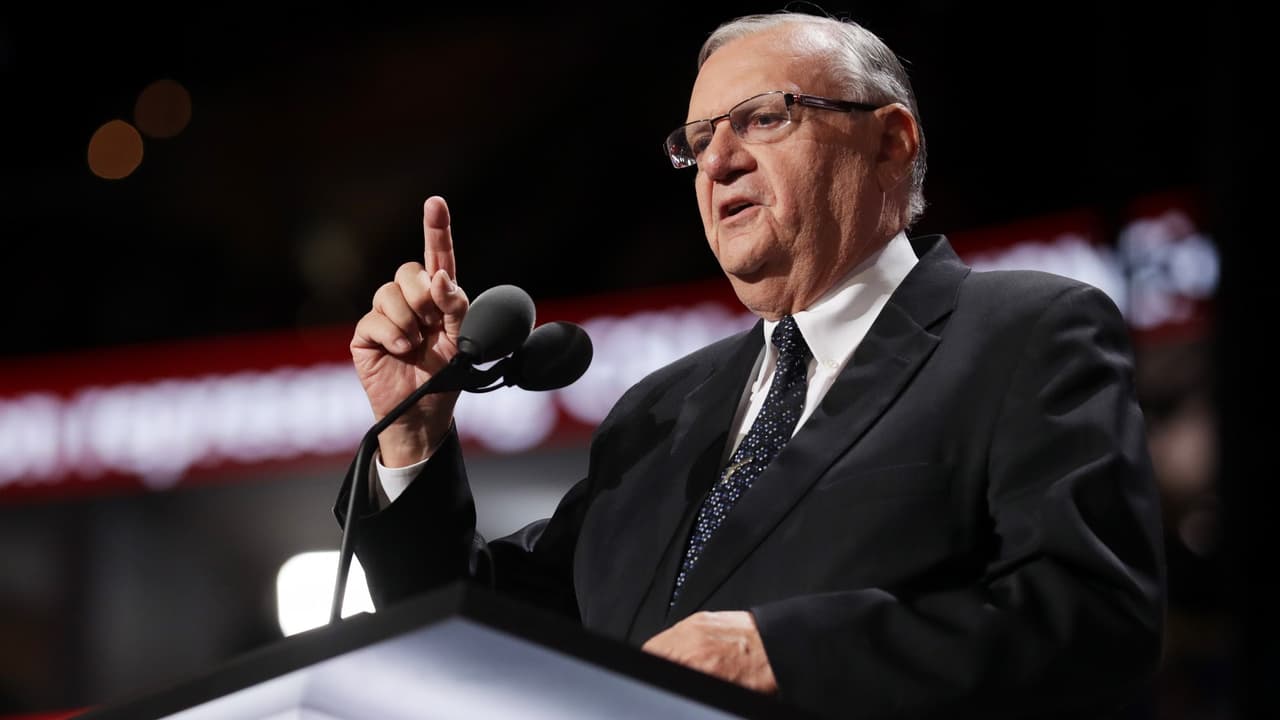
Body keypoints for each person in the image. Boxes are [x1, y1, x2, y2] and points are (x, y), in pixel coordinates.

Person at [337, 10, 1166, 719]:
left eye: (764, 118)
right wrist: (412, 437)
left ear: (890, 141)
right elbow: (484, 634)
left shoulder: (1024, 333)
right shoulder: (659, 413)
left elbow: (1092, 624)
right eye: (698, 141)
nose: (718, 162)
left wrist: (787, 656)